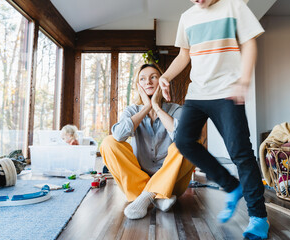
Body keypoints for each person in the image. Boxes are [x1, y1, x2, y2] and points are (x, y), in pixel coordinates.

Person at [158, 0, 269, 239]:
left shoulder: (234, 7)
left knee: (240, 153)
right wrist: (165, 76)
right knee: (183, 141)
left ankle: (258, 217)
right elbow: (184, 54)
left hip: (227, 91)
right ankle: (231, 185)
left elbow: (249, 44)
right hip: (197, 93)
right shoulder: (187, 16)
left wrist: (244, 81)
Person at [99, 64, 195, 220]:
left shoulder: (176, 110)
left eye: (153, 77)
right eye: (142, 79)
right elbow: (118, 135)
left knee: (189, 141)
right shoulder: (132, 111)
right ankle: (158, 197)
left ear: (162, 82)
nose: (148, 82)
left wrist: (156, 107)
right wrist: (146, 108)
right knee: (108, 142)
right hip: (137, 182)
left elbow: (182, 138)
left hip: (172, 182)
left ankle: (150, 195)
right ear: (138, 86)